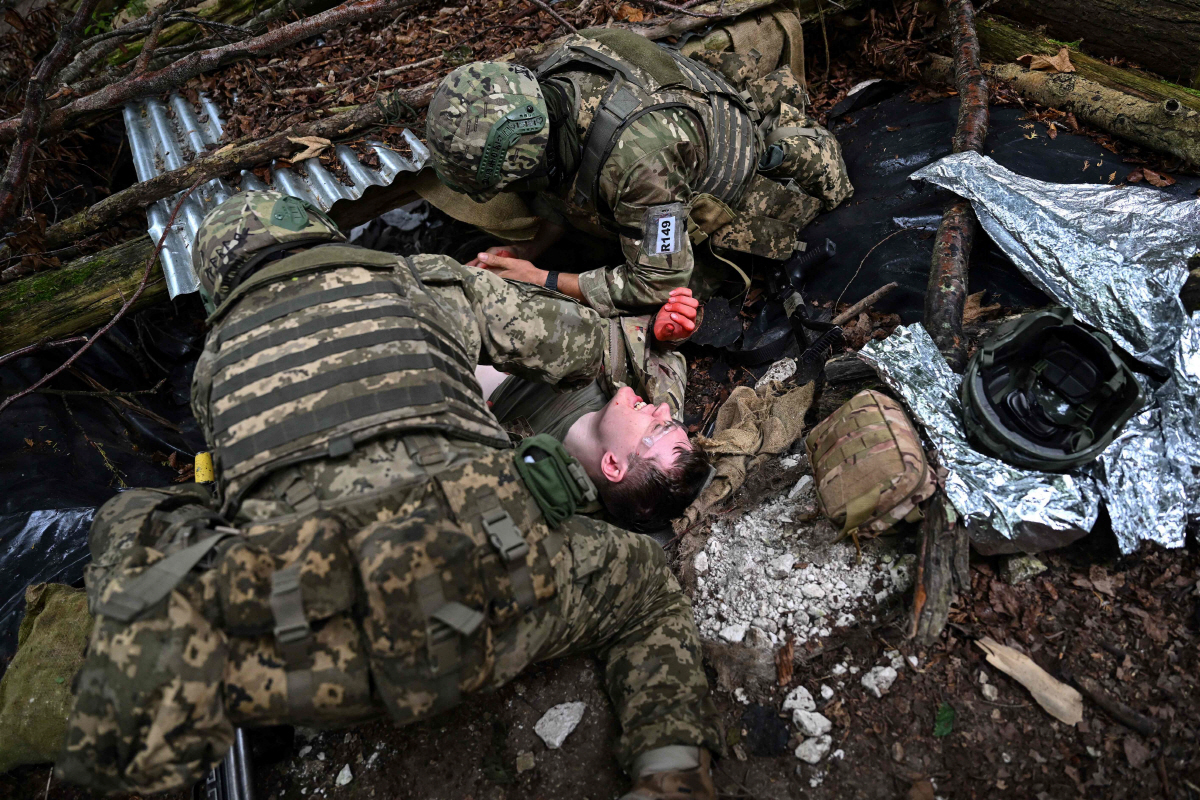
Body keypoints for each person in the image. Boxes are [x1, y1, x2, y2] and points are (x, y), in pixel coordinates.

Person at [58, 191, 721, 800]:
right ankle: (669, 776)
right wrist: (637, 339)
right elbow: (578, 343)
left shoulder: (215, 364)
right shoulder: (419, 282)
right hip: (490, 591)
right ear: (323, 235)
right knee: (648, 594)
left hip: (318, 656)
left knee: (132, 514)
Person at [425, 26, 853, 316]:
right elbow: (560, 179)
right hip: (681, 126)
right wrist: (527, 252)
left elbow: (659, 284)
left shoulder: (642, 163)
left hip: (725, 179)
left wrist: (542, 279)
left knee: (664, 310)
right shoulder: (548, 83)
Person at [480, 285, 708, 531]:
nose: (662, 409)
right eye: (672, 422)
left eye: (658, 428)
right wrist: (659, 329)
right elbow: (663, 354)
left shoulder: (520, 476)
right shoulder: (637, 393)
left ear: (612, 465)